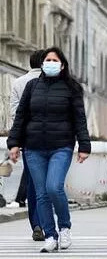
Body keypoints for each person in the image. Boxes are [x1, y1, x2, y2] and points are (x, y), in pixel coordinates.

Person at [7, 47, 91, 253]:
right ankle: (50, 235)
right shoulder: (32, 86)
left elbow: (79, 118)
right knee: (41, 194)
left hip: (60, 146)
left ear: (62, 65)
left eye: (54, 60)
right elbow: (21, 117)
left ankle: (64, 227)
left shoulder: (72, 88)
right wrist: (14, 143)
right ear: (42, 64)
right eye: (47, 60)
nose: (50, 63)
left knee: (54, 187)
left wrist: (84, 145)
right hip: (33, 147)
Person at [6, 49, 45, 241]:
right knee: (51, 184)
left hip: (29, 139)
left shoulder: (18, 82)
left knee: (32, 181)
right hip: (53, 141)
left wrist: (17, 139)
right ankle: (49, 224)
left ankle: (37, 223)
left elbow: (14, 113)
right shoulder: (56, 83)